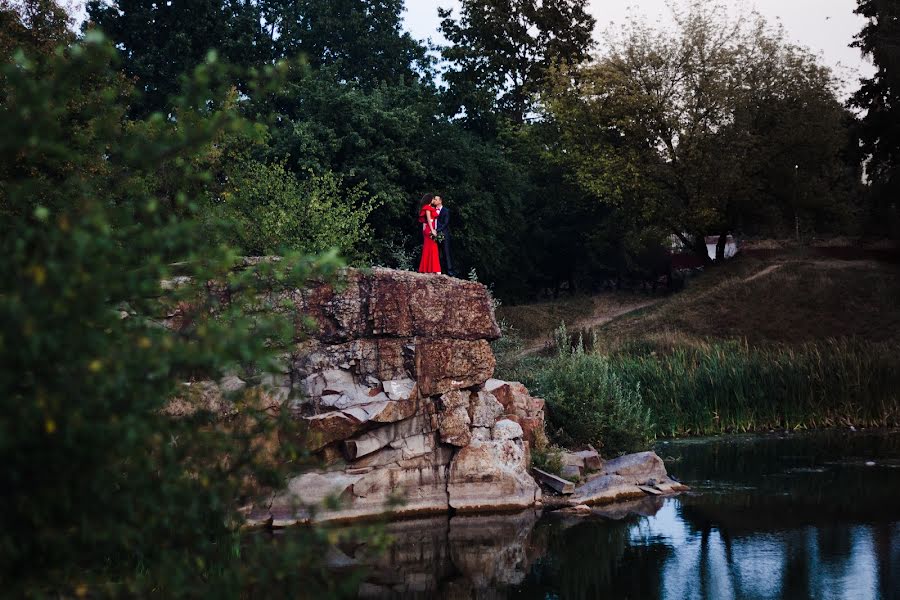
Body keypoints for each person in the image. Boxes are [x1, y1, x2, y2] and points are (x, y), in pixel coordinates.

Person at [417, 194, 441, 274]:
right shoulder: (427, 208)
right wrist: (432, 230)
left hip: (427, 229)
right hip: (430, 229)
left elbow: (425, 222)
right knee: (433, 248)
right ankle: (434, 269)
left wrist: (425, 230)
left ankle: (428, 268)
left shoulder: (429, 208)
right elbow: (428, 219)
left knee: (428, 248)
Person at [432, 195, 455, 277]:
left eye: (436, 199)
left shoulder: (446, 211)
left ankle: (450, 271)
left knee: (446, 252)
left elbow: (446, 223)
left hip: (444, 233)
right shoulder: (432, 210)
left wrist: (437, 230)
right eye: (434, 199)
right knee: (436, 252)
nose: (434, 200)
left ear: (440, 201)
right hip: (434, 234)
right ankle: (439, 270)